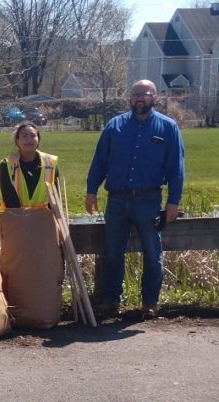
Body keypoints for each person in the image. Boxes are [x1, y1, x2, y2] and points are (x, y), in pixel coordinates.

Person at [86, 79, 185, 319]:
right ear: (130, 98)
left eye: (145, 94)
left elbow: (176, 166)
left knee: (153, 253)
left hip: (149, 200)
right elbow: (100, 160)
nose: (139, 98)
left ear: (155, 98)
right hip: (117, 199)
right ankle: (111, 300)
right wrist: (91, 191)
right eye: (135, 94)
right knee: (113, 252)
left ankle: (149, 302)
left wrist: (174, 200)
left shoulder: (168, 127)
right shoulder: (115, 126)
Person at [0, 121, 59, 210]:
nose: (29, 140)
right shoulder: (7, 164)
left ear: (38, 140)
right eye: (24, 136)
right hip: (14, 217)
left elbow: (55, 197)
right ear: (17, 141)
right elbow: (9, 198)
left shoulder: (51, 162)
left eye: (33, 136)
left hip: (44, 218)